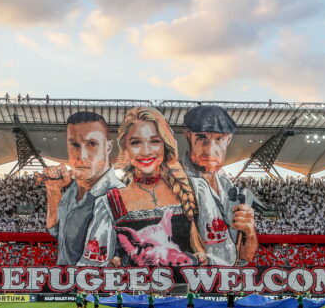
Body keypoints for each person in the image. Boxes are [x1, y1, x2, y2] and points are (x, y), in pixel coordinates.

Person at [79, 106, 223, 268]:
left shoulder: (197, 191)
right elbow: (92, 266)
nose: (146, 151)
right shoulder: (110, 203)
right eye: (136, 142)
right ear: (124, 149)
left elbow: (223, 254)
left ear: (165, 145)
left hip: (187, 291)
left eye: (154, 141)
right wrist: (114, 264)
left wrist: (204, 259)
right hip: (135, 292)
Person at [41, 112, 124, 266]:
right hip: (67, 285)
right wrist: (53, 192)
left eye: (91, 144)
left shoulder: (121, 196)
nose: (81, 155)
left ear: (108, 147)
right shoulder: (70, 193)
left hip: (97, 288)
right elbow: (55, 232)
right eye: (74, 145)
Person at [181, 105, 260, 265]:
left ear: (229, 139)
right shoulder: (176, 181)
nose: (210, 150)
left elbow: (245, 258)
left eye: (219, 139)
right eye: (202, 138)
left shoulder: (229, 186)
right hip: (193, 282)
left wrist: (249, 233)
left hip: (225, 280)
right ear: (188, 136)